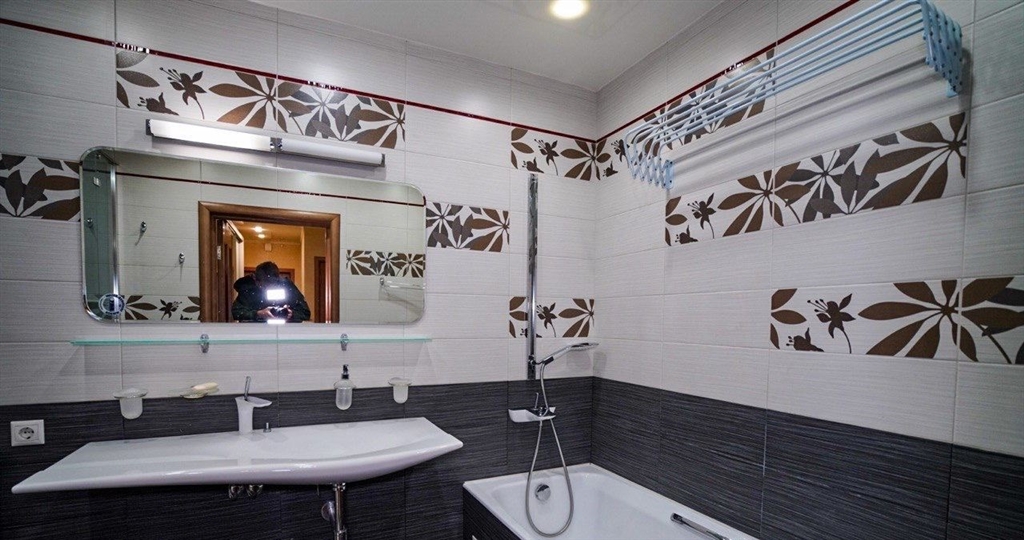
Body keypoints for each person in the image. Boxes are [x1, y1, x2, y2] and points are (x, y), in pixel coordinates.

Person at [231, 261, 311, 322]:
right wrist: (258, 314)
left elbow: (305, 313)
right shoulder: (249, 290)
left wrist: (291, 314)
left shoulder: (287, 288)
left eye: (274, 284)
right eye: (265, 285)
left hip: (284, 332)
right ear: (256, 281)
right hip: (255, 333)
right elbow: (236, 313)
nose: (270, 288)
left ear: (278, 280)